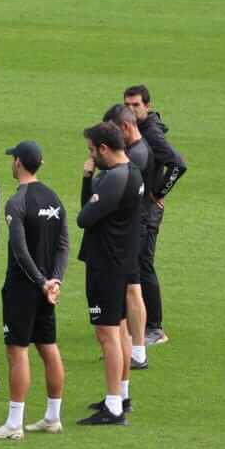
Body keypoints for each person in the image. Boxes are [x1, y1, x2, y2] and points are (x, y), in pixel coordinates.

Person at [0, 141, 69, 440]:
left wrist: (40, 280)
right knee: (48, 347)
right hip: (47, 289)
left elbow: (19, 249)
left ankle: (14, 424)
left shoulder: (16, 202)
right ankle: (53, 417)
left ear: (19, 163)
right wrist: (54, 280)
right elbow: (63, 244)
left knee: (17, 351)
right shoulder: (54, 198)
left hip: (23, 288)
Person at [76, 122, 145, 426]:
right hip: (122, 259)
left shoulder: (114, 179)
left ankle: (114, 407)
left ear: (104, 148)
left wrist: (87, 178)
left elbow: (83, 217)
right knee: (119, 329)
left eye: (92, 150)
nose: (91, 156)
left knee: (107, 334)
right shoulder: (133, 172)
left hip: (106, 263)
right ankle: (121, 395)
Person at [123, 84, 187, 347]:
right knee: (136, 265)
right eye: (127, 104)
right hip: (138, 211)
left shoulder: (151, 134)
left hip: (147, 214)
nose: (131, 109)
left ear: (146, 106)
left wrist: (159, 193)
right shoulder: (137, 130)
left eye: (136, 105)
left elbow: (178, 165)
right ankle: (139, 321)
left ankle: (156, 328)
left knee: (143, 266)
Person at [104, 104, 152, 371]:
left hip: (132, 231)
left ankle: (137, 351)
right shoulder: (140, 150)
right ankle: (132, 348)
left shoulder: (136, 156)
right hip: (136, 228)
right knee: (131, 288)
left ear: (124, 127)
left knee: (132, 289)